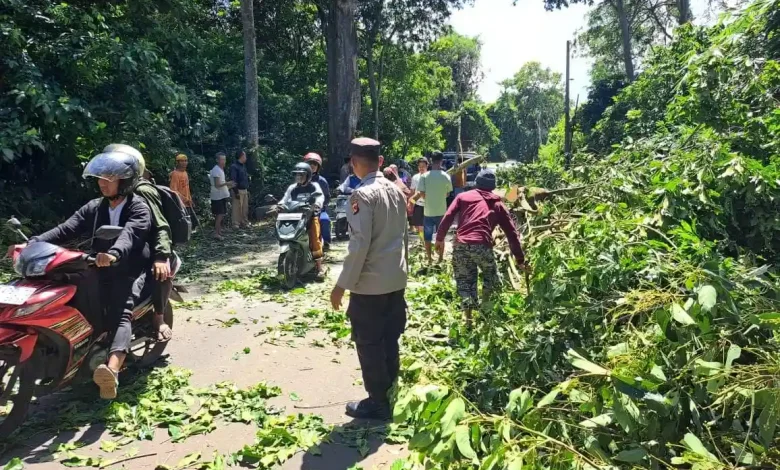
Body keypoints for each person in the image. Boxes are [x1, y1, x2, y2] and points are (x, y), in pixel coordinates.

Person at [8, 151, 151, 400]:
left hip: (128, 268)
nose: (102, 182)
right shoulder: (95, 207)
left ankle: (112, 369)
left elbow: (131, 234)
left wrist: (115, 253)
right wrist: (34, 242)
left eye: (109, 178)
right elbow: (67, 228)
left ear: (125, 181)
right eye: (100, 177)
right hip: (96, 265)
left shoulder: (138, 207)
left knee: (121, 311)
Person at [330, 137, 408, 420]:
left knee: (369, 342)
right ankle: (390, 391)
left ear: (354, 163)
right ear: (380, 161)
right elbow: (403, 238)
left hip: (370, 285)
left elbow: (359, 244)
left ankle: (378, 400)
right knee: (390, 338)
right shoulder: (397, 191)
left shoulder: (361, 195)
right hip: (395, 280)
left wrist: (341, 285)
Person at [435, 170, 526, 323]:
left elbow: (448, 216)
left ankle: (468, 317)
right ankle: (486, 312)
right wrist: (520, 259)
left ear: (476, 183)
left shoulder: (463, 197)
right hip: (481, 246)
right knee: (492, 278)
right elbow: (512, 233)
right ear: (493, 187)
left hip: (461, 245)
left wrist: (439, 238)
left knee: (465, 280)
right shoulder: (498, 205)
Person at [104, 144, 173, 342]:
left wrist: (161, 256)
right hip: (120, 247)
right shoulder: (110, 190)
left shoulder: (142, 191)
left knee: (159, 272)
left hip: (147, 247)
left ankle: (159, 318)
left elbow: (161, 226)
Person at [279, 162, 326, 277]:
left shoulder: (314, 186)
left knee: (314, 238)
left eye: (302, 175)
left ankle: (320, 267)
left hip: (310, 216)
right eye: (297, 175)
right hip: (294, 217)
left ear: (308, 175)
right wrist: (279, 205)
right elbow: (285, 199)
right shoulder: (292, 188)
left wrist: (317, 204)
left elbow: (320, 197)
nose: (298, 177)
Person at [409, 151, 452, 264]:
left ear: (431, 161)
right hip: (442, 211)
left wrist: (411, 201)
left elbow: (421, 194)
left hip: (428, 212)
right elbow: (447, 194)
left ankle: (429, 259)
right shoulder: (446, 176)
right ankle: (441, 258)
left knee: (427, 237)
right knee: (440, 236)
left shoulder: (424, 177)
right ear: (441, 161)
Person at [303, 153, 332, 252]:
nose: (312, 166)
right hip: (302, 210)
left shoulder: (322, 181)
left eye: (314, 164)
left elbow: (327, 197)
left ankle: (326, 242)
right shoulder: (299, 180)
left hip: (318, 210)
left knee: (325, 220)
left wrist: (320, 206)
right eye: (310, 164)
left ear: (318, 167)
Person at [169, 153, 199, 230]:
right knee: (182, 224)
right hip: (180, 203)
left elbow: (187, 189)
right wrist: (185, 199)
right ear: (178, 163)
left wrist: (190, 200)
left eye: (186, 161)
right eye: (182, 161)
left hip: (187, 203)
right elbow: (173, 191)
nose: (184, 163)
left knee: (190, 224)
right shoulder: (175, 174)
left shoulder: (185, 173)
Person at [210, 152, 234, 239]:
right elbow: (217, 185)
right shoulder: (216, 170)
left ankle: (219, 231)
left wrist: (229, 185)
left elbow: (221, 184)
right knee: (219, 214)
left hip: (221, 195)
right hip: (217, 196)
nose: (223, 161)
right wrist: (227, 183)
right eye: (222, 159)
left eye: (224, 159)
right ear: (217, 160)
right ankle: (216, 233)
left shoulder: (220, 169)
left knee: (222, 213)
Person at [229, 151, 250, 228]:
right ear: (241, 156)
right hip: (238, 190)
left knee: (245, 208)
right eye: (245, 156)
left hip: (244, 189)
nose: (246, 158)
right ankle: (236, 223)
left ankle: (244, 222)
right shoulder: (234, 167)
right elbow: (233, 180)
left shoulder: (243, 166)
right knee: (236, 207)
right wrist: (235, 191)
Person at [408, 157, 428, 237]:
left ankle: (428, 242)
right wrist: (410, 203)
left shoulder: (430, 177)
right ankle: (422, 242)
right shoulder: (415, 177)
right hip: (418, 205)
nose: (421, 168)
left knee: (427, 226)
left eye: (423, 166)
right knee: (419, 226)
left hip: (428, 205)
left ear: (427, 166)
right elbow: (412, 192)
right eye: (419, 166)